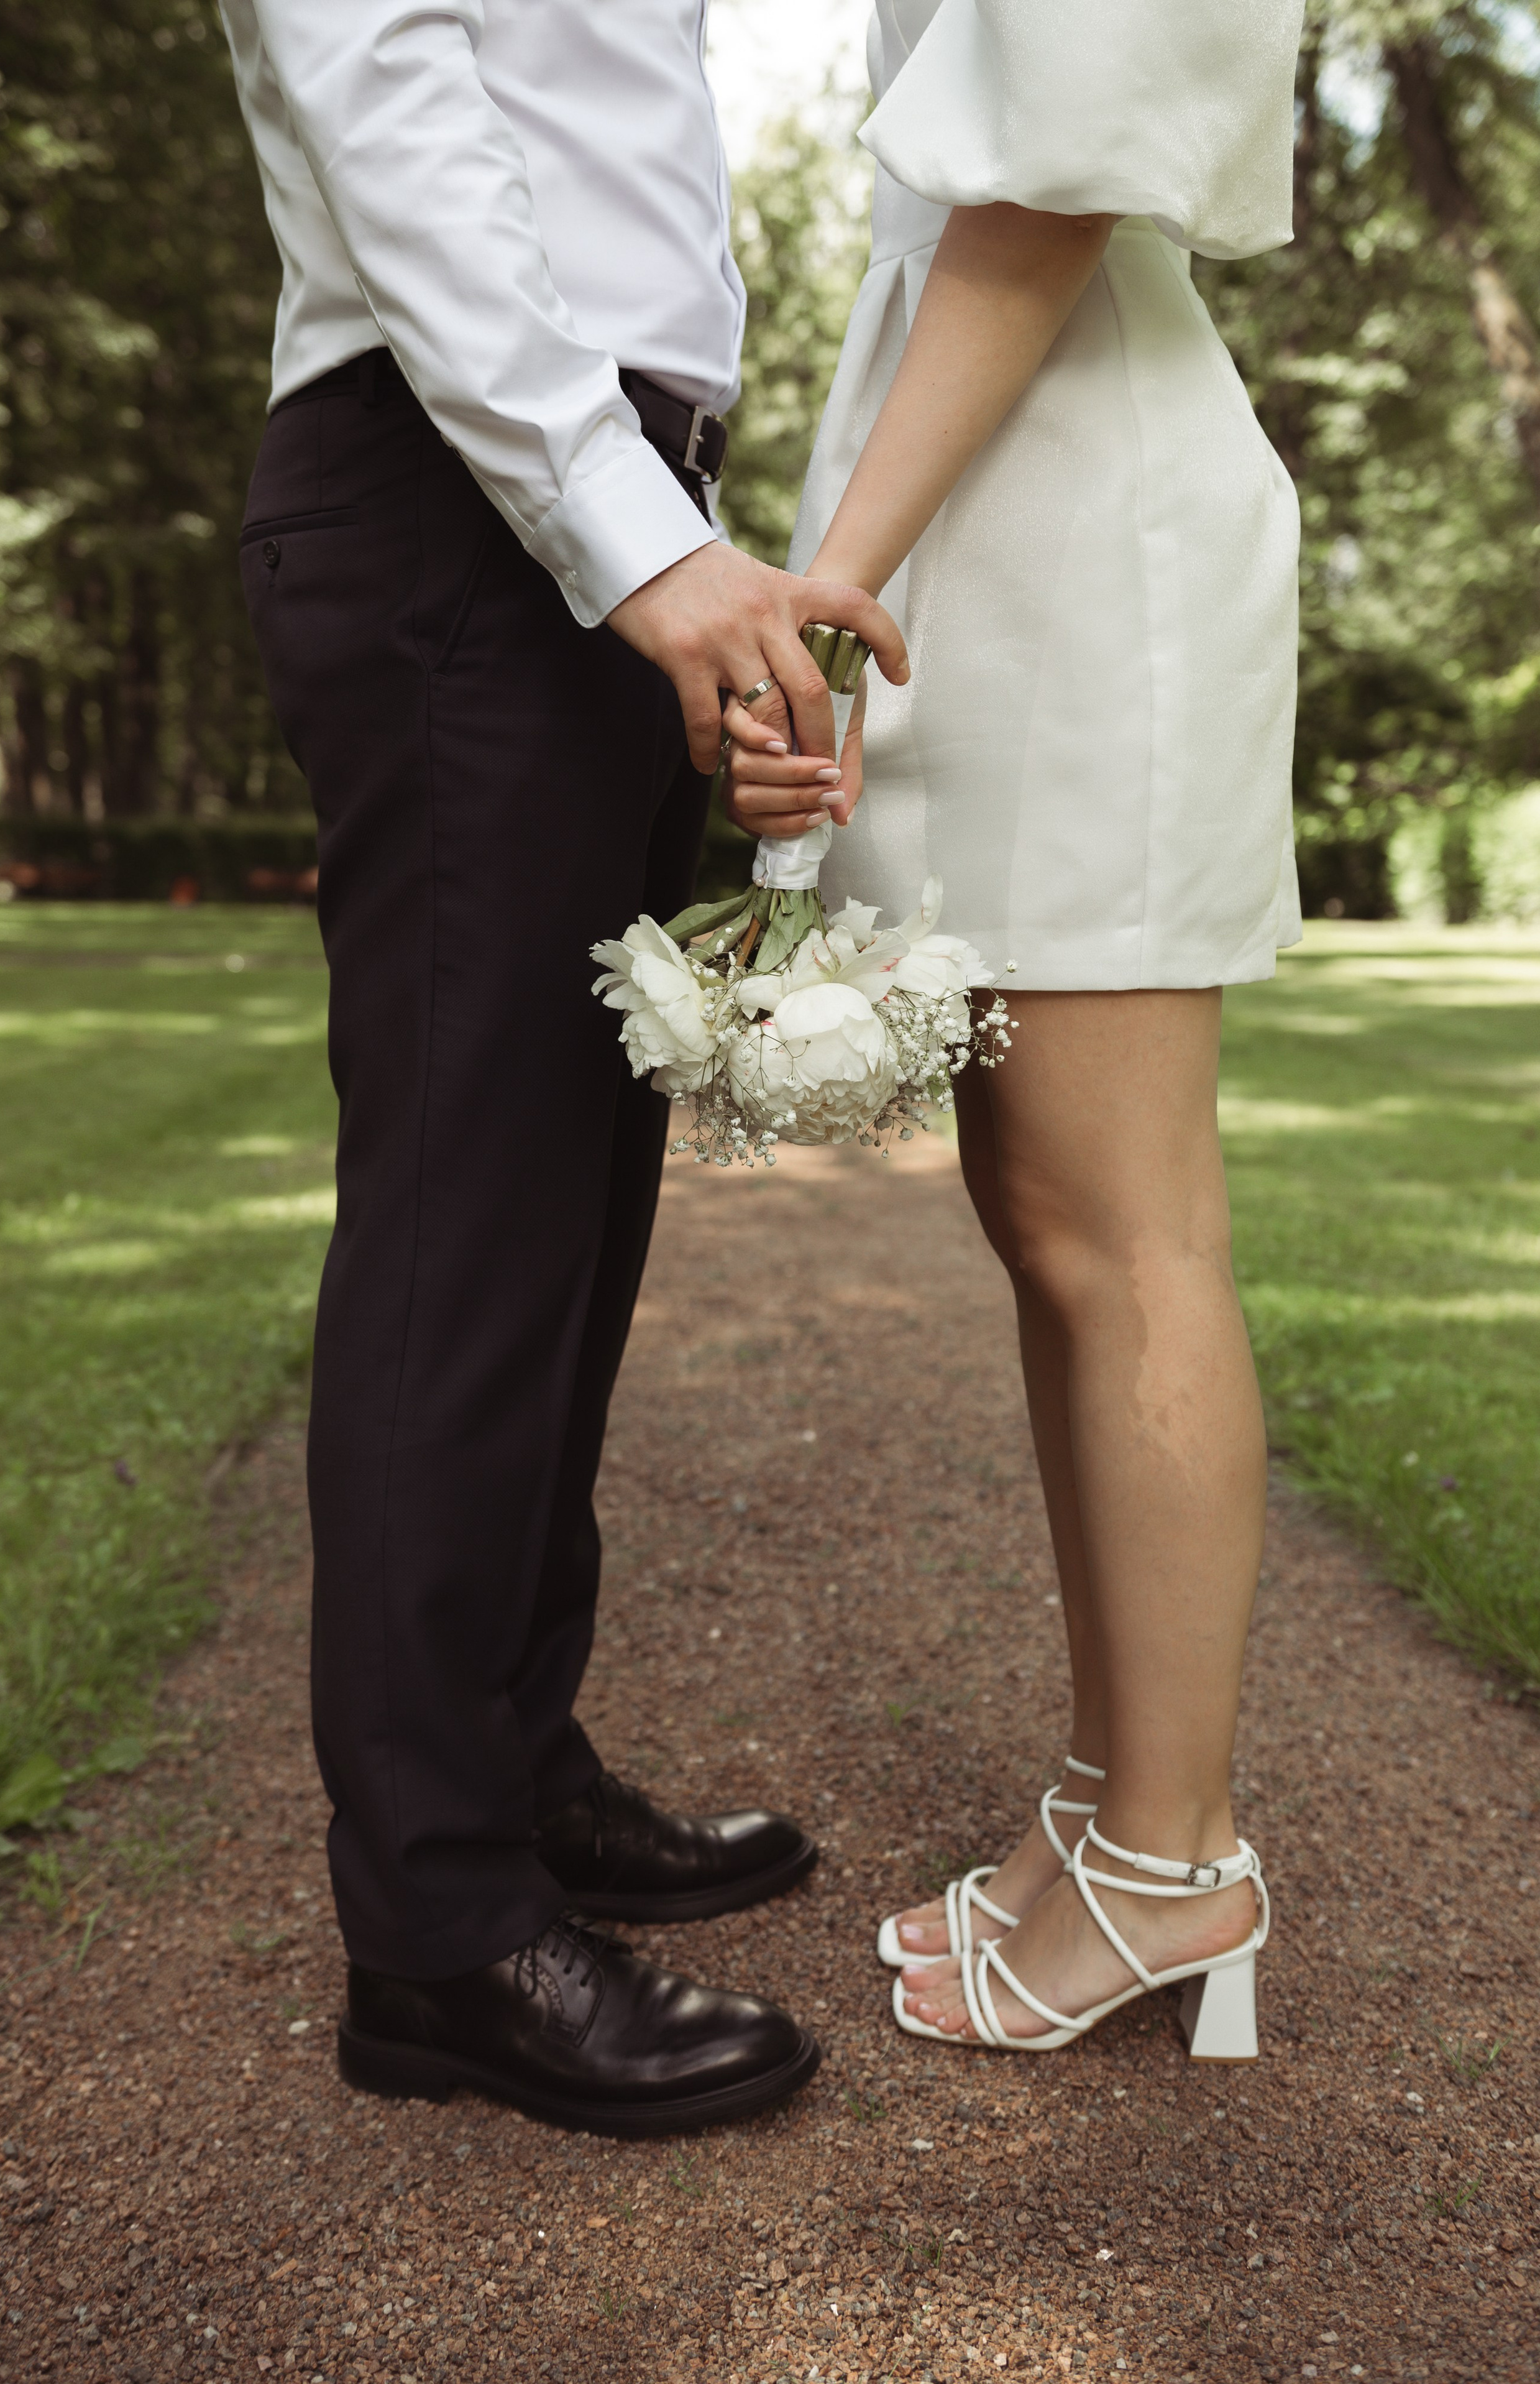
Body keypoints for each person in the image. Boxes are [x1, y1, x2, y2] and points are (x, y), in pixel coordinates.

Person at [219, 0, 905, 2135]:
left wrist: (677, 528)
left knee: (572, 1221)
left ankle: (506, 1765)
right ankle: (436, 1926)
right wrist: (629, 524)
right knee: (472, 1226)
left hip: (587, 497)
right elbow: (385, 89)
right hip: (467, 489)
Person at [723, 0, 1304, 2057]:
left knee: (1122, 1225)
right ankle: (1122, 1795)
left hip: (1082, 511)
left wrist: (831, 579)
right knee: (1045, 1212)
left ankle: (1177, 1858)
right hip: (1015, 486)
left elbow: (1051, 171)